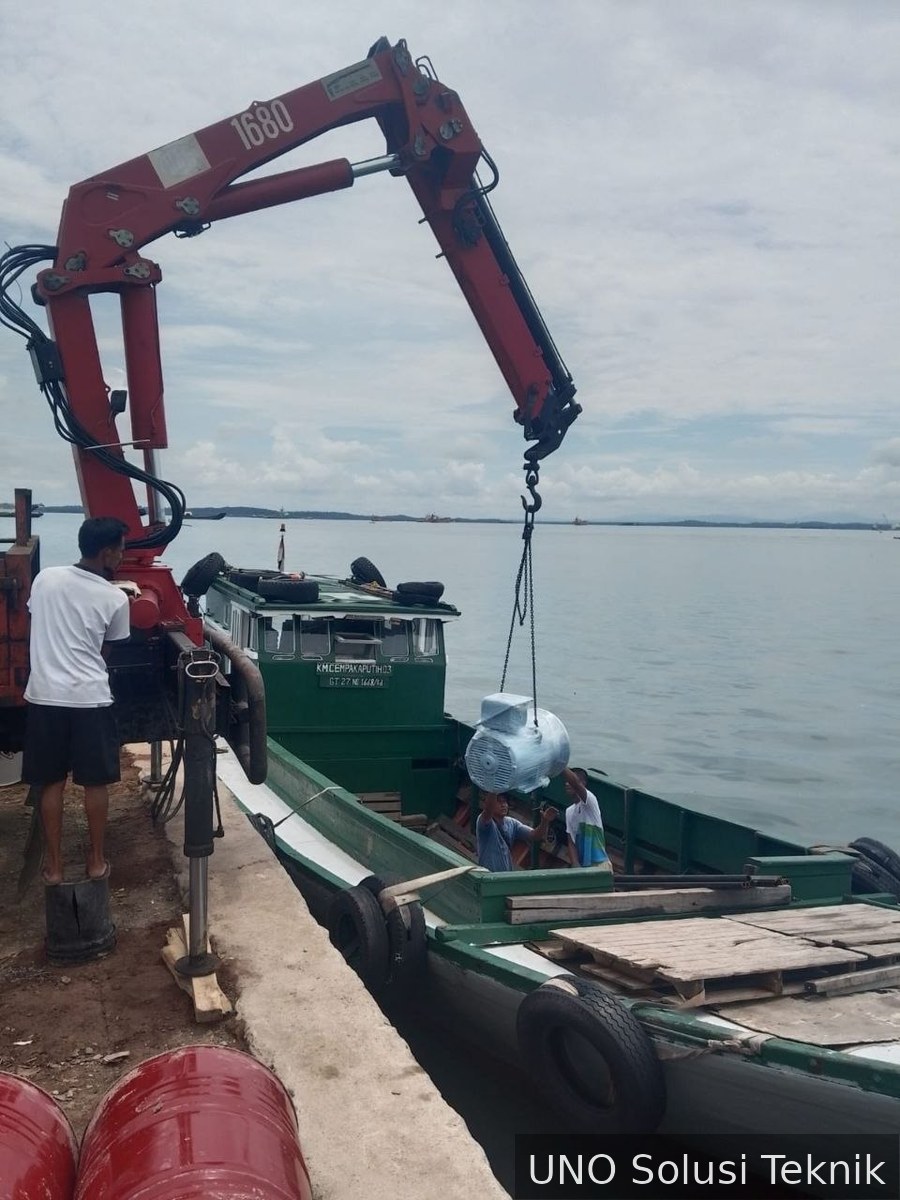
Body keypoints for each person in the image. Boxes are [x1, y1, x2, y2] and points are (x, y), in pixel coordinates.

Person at [22, 516, 131, 885]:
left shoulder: (45, 579)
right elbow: (107, 650)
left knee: (51, 783)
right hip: (89, 700)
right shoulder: (116, 598)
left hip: (44, 697)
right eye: (121, 549)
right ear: (106, 553)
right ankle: (96, 862)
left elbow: (39, 620)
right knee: (94, 784)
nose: (122, 555)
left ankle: (53, 868)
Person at [475, 791, 558, 872]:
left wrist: (545, 821)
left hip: (504, 877)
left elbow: (535, 835)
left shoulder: (511, 823)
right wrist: (494, 789)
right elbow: (488, 809)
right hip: (487, 875)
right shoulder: (484, 822)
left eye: (504, 802)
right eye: (499, 801)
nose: (503, 805)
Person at [563, 766, 611, 868]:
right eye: (566, 781)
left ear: (583, 784)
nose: (567, 784)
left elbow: (576, 784)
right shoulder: (569, 812)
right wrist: (576, 865)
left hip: (600, 864)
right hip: (583, 867)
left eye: (570, 781)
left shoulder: (590, 801)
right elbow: (571, 842)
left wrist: (561, 765)